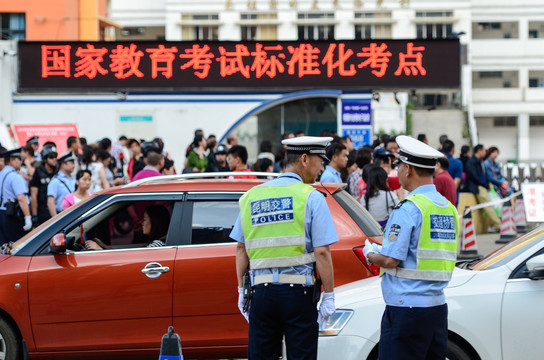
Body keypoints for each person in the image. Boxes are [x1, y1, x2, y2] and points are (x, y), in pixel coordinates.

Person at [231, 136, 338, 360]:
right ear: (305, 159)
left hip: (261, 294)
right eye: (320, 160)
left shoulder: (251, 196)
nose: (322, 168)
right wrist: (329, 295)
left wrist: (242, 290)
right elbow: (321, 252)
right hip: (298, 295)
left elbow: (241, 249)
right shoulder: (311, 197)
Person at [363, 135, 459, 360]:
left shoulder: (409, 208)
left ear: (408, 169)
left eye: (399, 166)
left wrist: (370, 254)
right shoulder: (448, 208)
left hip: (406, 309)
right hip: (436, 307)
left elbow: (390, 260)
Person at [85, 205, 171, 250]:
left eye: (145, 219)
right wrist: (104, 247)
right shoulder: (157, 244)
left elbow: (133, 260)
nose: (142, 223)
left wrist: (100, 250)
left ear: (155, 223)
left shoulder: (157, 245)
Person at [465, 144, 502, 232]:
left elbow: (484, 174)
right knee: (488, 205)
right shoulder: (472, 162)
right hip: (477, 187)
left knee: (491, 205)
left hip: (484, 186)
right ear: (479, 151)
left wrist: (488, 183)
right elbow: (474, 177)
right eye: (484, 150)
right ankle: (499, 225)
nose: (485, 152)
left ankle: (494, 224)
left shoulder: (480, 161)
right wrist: (485, 184)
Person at [0, 148, 32, 245]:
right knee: (17, 247)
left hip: (2, 213)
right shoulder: (15, 176)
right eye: (19, 158)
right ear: (11, 160)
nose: (21, 161)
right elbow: (21, 198)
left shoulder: (1, 173)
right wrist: (28, 217)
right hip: (13, 216)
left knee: (4, 247)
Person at [360, 164, 399, 228]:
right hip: (386, 227)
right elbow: (398, 208)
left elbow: (362, 213)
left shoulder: (365, 197)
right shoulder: (389, 194)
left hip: (371, 228)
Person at [30, 144, 58, 226]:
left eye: (55, 156)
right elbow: (34, 195)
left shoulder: (57, 172)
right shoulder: (38, 172)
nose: (54, 159)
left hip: (57, 208)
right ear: (45, 159)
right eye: (51, 157)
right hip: (43, 211)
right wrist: (34, 214)